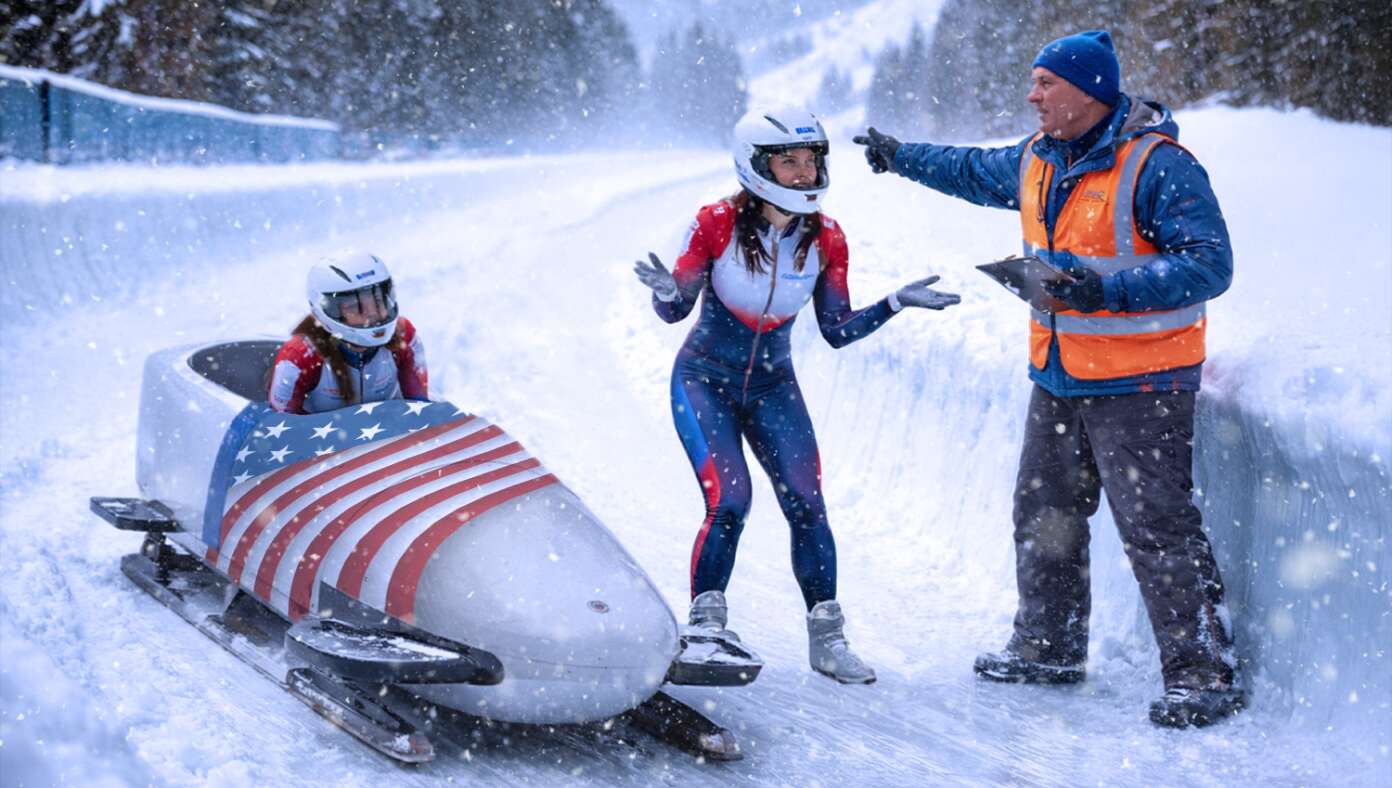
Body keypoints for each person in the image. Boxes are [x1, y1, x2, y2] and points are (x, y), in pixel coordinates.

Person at [854, 30, 1243, 727]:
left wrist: (1100, 290)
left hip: (1143, 383)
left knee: (1157, 527)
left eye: (1045, 83)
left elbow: (1210, 264)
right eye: (1033, 82)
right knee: (1046, 514)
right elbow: (972, 170)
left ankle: (1203, 673)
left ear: (1089, 91)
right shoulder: (1038, 160)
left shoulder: (1158, 166)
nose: (1031, 95)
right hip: (1061, 375)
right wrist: (900, 157)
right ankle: (1048, 645)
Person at [633, 106, 961, 684]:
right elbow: (676, 306)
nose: (806, 173)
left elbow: (835, 331)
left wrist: (893, 304)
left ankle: (827, 639)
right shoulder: (714, 223)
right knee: (730, 501)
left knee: (808, 505)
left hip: (773, 386)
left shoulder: (828, 237)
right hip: (703, 379)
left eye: (812, 160)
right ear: (756, 166)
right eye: (790, 161)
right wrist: (665, 294)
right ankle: (707, 629)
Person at [269, 252, 428, 415]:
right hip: (323, 439)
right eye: (355, 306)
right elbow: (283, 425)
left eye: (378, 300)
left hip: (393, 433)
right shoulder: (299, 355)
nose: (372, 313)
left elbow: (420, 407)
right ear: (326, 309)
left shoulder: (404, 334)